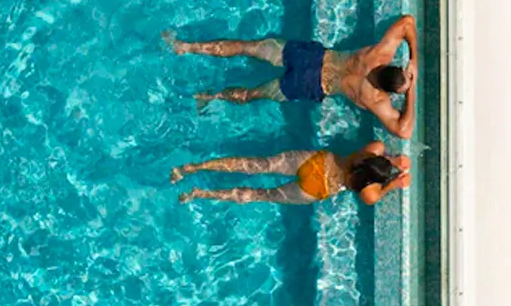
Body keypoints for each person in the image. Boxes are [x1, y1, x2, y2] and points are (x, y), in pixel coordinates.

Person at [163, 15, 418, 138]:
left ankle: (186, 47)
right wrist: (412, 89)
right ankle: (209, 96)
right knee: (254, 94)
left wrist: (413, 58)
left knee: (248, 47)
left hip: (311, 58)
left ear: (391, 67)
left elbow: (407, 22)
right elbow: (403, 131)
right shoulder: (376, 99)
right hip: (310, 85)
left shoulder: (379, 54)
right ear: (389, 91)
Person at [171, 141, 412, 206]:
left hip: (317, 162)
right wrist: (394, 184)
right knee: (261, 195)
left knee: (256, 165)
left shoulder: (366, 153)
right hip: (315, 189)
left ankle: (192, 168)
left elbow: (379, 147)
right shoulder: (368, 191)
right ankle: (200, 193)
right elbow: (375, 197)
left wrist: (392, 160)